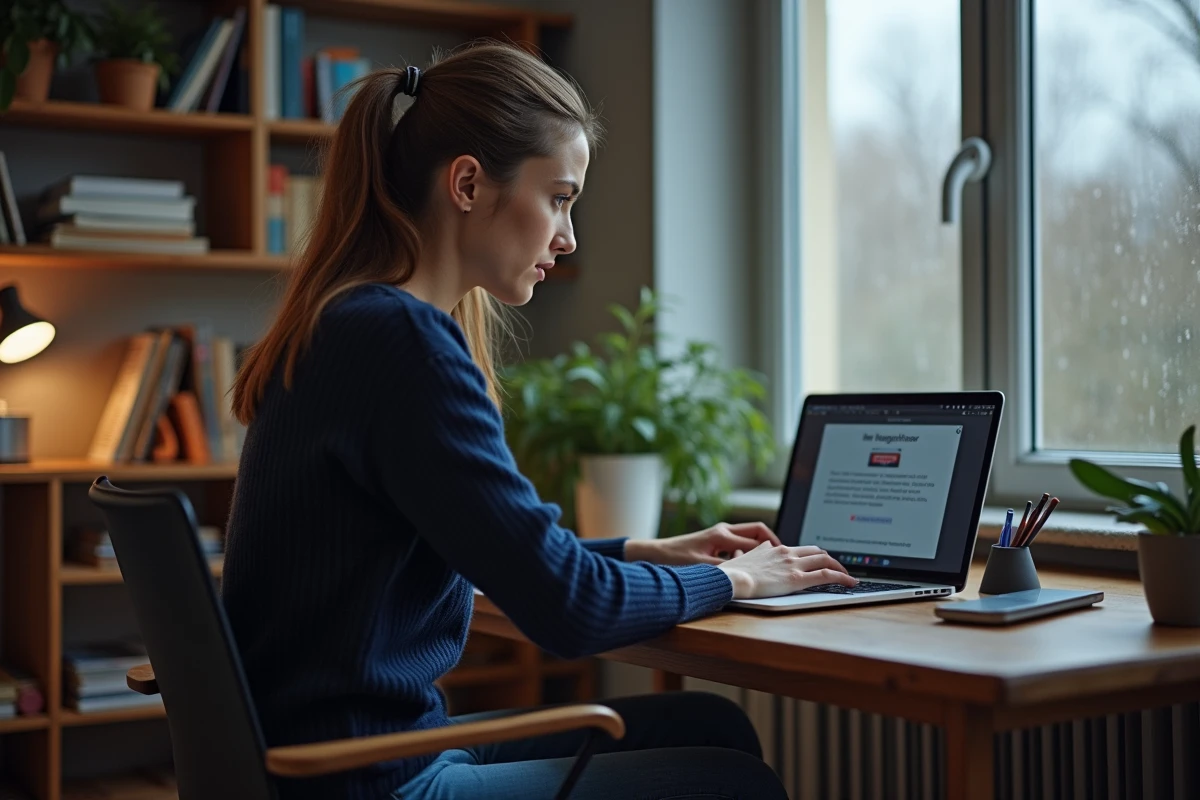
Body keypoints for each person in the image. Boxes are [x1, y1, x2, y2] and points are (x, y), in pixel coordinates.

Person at [223, 42, 857, 800]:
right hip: (370, 782)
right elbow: (568, 608)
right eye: (558, 197)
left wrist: (644, 551)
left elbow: (496, 556)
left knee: (710, 726)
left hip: (341, 761)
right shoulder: (400, 340)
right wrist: (735, 578)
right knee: (735, 781)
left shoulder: (350, 322)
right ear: (467, 184)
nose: (569, 236)